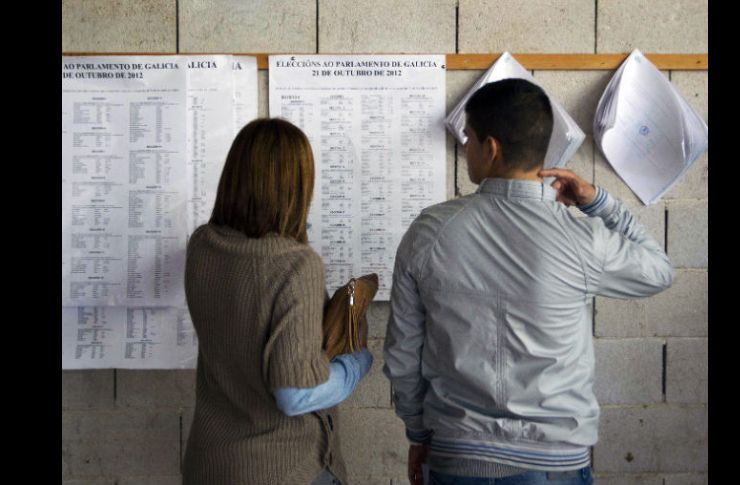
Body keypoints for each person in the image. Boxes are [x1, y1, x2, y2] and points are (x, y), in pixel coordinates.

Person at [383, 78, 674, 485]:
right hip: (554, 461)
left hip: (457, 454)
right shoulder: (581, 238)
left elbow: (402, 352)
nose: (466, 148)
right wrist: (598, 203)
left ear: (492, 148)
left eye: (468, 138)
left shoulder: (430, 231)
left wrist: (417, 431)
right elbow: (659, 270)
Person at [182, 118, 373, 485]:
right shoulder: (295, 264)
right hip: (282, 467)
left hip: (209, 463)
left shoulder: (202, 246)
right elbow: (296, 395)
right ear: (297, 187)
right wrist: (356, 363)